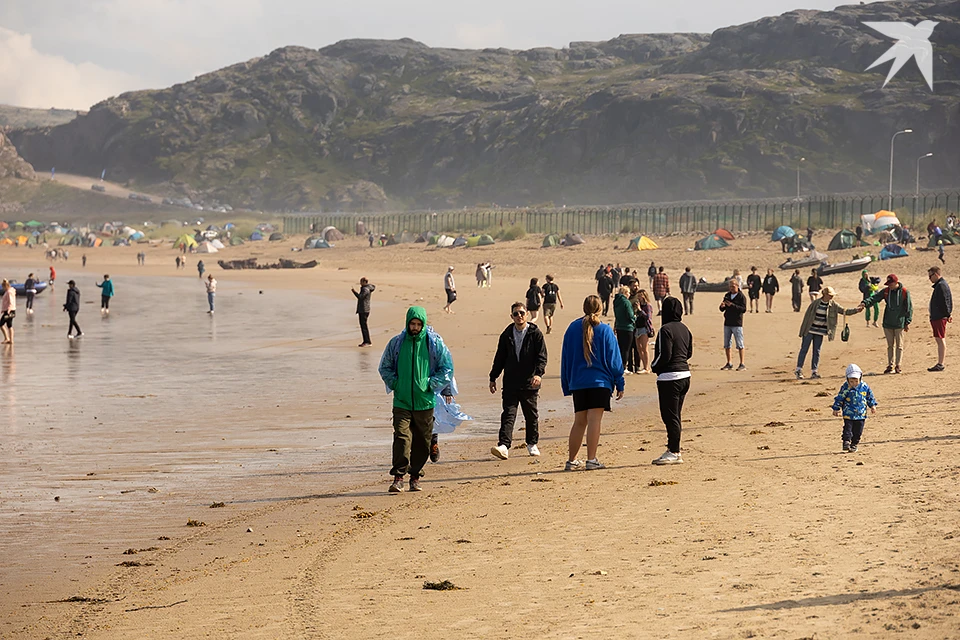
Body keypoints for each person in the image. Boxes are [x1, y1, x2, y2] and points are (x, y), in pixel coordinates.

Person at [378, 306, 455, 493]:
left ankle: (415, 476)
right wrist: (396, 383)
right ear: (407, 323)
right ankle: (398, 477)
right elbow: (385, 367)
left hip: (425, 402)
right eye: (412, 324)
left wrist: (431, 384)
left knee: (423, 442)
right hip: (401, 401)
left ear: (424, 324)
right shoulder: (396, 343)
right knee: (402, 438)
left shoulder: (433, 343)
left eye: (418, 324)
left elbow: (447, 368)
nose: (415, 327)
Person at [561, 295, 625, 471]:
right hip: (599, 383)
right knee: (594, 420)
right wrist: (620, 382)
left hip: (578, 382)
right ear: (600, 309)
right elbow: (614, 360)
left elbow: (565, 358)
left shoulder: (572, 328)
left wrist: (566, 383)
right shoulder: (604, 330)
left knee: (579, 421)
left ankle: (572, 460)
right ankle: (591, 459)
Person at [489, 302, 548, 459]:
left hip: (529, 383)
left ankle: (532, 443)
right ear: (512, 316)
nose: (519, 316)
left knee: (531, 415)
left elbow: (542, 356)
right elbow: (500, 358)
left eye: (522, 313)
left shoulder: (535, 333)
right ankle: (504, 445)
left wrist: (538, 374)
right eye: (516, 314)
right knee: (508, 414)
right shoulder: (506, 335)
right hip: (511, 382)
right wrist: (493, 377)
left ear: (527, 314)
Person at [651, 296, 693, 465]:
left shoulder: (665, 329)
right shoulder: (685, 329)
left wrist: (654, 366)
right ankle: (673, 449)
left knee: (669, 416)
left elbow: (665, 355)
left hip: (670, 378)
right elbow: (689, 353)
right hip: (685, 376)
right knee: (675, 415)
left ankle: (674, 451)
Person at [795, 286, 861, 379]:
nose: (831, 297)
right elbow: (807, 318)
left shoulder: (833, 305)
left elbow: (844, 311)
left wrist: (856, 310)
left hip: (820, 332)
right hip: (809, 330)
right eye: (830, 295)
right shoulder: (815, 303)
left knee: (816, 351)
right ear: (824, 294)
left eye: (832, 295)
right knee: (804, 349)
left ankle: (814, 371)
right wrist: (802, 330)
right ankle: (798, 370)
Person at [862, 274, 913, 374]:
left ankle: (898, 365)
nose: (889, 286)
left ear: (896, 282)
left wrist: (907, 322)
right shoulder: (886, 291)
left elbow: (909, 308)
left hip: (899, 323)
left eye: (891, 284)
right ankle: (890, 365)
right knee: (890, 346)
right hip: (888, 323)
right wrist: (864, 303)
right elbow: (875, 298)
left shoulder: (904, 292)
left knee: (899, 345)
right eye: (888, 284)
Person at [831, 364, 877, 453]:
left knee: (858, 431)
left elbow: (869, 397)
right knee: (847, 429)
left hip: (861, 414)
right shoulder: (846, 387)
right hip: (848, 413)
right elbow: (840, 398)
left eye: (856, 381)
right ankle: (846, 441)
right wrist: (836, 408)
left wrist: (872, 405)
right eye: (851, 381)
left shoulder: (864, 386)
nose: (854, 383)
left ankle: (854, 444)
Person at [927, 265, 953, 372]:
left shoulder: (941, 285)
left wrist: (947, 314)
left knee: (940, 339)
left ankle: (941, 363)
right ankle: (940, 363)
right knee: (939, 338)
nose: (929, 278)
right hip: (937, 316)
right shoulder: (940, 285)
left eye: (930, 276)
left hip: (939, 317)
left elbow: (946, 301)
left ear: (936, 274)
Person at [719, 279, 747, 371]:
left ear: (737, 286)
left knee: (740, 344)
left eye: (733, 286)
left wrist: (732, 305)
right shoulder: (727, 295)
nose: (731, 288)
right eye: (730, 286)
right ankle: (729, 363)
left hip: (737, 323)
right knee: (727, 344)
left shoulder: (741, 296)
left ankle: (742, 363)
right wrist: (722, 306)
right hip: (727, 322)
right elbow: (722, 309)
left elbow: (743, 309)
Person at [613, 285, 637, 375]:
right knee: (626, 349)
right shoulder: (626, 302)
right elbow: (630, 315)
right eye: (628, 293)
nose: (629, 295)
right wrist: (634, 318)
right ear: (625, 293)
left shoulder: (616, 301)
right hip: (627, 327)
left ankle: (619, 366)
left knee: (620, 347)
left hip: (619, 326)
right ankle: (624, 367)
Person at [633, 288, 655, 374]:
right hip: (637, 327)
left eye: (640, 296)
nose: (639, 297)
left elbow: (648, 317)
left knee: (644, 348)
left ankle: (647, 367)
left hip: (644, 328)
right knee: (639, 348)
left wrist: (640, 310)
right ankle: (644, 366)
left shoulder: (647, 306)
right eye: (638, 296)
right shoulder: (638, 304)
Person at [352, 277, 376, 347]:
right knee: (363, 326)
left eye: (361, 282)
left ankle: (367, 341)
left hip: (364, 310)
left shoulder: (365, 289)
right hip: (365, 309)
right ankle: (366, 341)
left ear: (365, 282)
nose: (360, 283)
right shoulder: (367, 288)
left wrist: (354, 292)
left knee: (364, 326)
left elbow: (361, 297)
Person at [0, 280, 15, 345]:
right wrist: (3, 310)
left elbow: (11, 302)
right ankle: (11, 340)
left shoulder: (9, 292)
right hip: (11, 311)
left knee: (1, 324)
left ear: (6, 286)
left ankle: (7, 338)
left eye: (3, 287)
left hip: (9, 311)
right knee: (9, 325)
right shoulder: (11, 291)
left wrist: (8, 310)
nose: (3, 288)